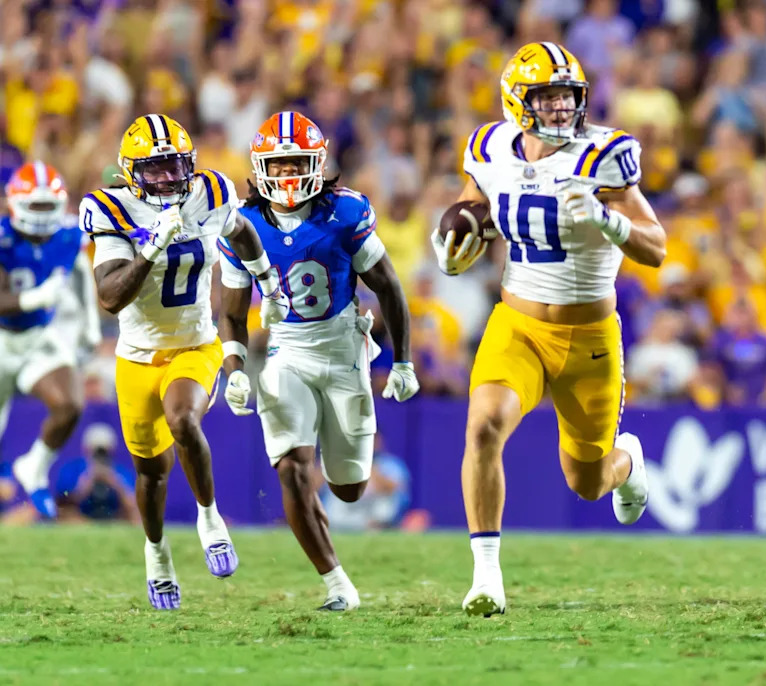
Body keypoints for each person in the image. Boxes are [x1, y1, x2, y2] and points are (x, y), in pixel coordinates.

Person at [431, 42, 666, 616]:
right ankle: (487, 574)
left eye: (568, 97)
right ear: (518, 101)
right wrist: (454, 245)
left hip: (589, 339)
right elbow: (471, 206)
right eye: (548, 97)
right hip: (518, 326)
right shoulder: (489, 147)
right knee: (485, 427)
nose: (562, 109)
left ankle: (628, 462)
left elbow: (657, 247)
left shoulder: (605, 154)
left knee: (586, 482)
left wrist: (610, 221)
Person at [78, 113, 291, 611]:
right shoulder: (111, 208)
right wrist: (150, 246)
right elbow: (109, 296)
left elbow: (239, 230)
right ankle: (157, 554)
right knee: (150, 472)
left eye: (176, 167)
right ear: (131, 171)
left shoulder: (208, 191)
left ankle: (209, 517)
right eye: (155, 170)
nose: (169, 179)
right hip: (135, 357)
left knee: (183, 418)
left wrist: (265, 277)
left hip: (196, 343)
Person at [218, 111, 419, 612]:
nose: (287, 176)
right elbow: (232, 311)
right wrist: (235, 367)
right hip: (286, 350)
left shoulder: (345, 212)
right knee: (291, 467)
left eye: (296, 164)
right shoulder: (242, 225)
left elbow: (388, 286)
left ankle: (324, 517)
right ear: (261, 167)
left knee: (348, 488)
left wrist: (403, 362)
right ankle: (337, 585)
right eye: (278, 165)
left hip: (344, 347)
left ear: (317, 163)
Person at [1, 162, 99, 519]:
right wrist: (35, 298)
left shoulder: (69, 234)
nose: (42, 216)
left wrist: (89, 324)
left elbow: (80, 271)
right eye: (35, 206)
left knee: (70, 404)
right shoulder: (2, 237)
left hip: (37, 338)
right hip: (1, 339)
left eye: (48, 206)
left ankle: (34, 466)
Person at [55, 423, 138, 523]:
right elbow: (62, 503)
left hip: (115, 518)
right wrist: (84, 487)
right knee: (66, 514)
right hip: (81, 519)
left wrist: (116, 484)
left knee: (136, 516)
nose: (100, 455)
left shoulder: (120, 472)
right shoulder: (73, 469)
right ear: (86, 449)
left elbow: (133, 505)